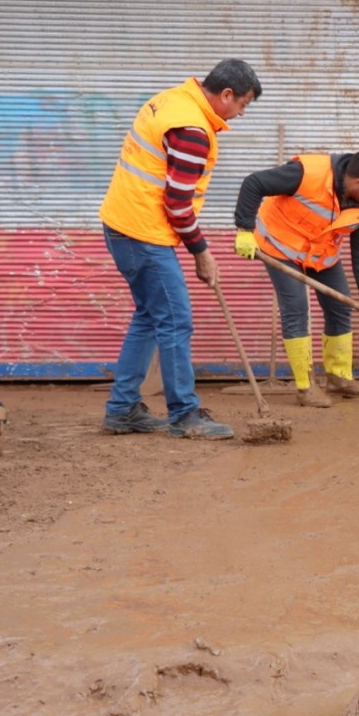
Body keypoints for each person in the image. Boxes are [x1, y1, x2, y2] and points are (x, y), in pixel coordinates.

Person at [98, 59, 262, 440]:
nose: (241, 113)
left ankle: (122, 409)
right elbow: (177, 203)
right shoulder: (192, 130)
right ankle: (185, 415)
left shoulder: (174, 99)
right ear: (225, 95)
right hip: (143, 233)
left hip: (122, 223)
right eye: (243, 104)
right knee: (174, 320)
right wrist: (201, 252)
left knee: (150, 316)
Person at [233, 148, 359, 407]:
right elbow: (254, 183)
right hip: (280, 248)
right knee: (296, 309)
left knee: (341, 306)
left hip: (321, 254)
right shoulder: (308, 174)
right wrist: (244, 229)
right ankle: (305, 387)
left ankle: (339, 377)